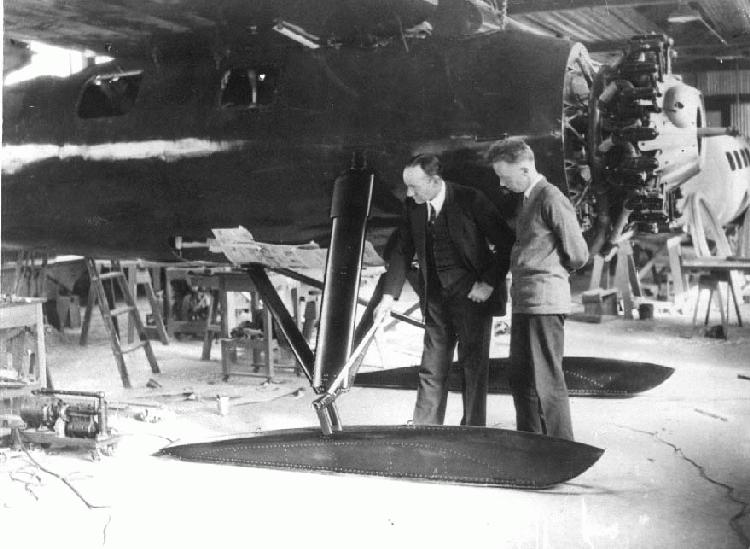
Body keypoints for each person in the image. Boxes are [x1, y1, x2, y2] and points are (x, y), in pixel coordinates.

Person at [375, 154, 514, 426]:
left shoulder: (471, 200)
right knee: (432, 366)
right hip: (436, 297)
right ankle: (424, 428)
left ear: (435, 181)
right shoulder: (414, 206)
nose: (408, 192)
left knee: (473, 368)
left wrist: (487, 283)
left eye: (414, 186)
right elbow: (403, 251)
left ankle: (474, 429)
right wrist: (388, 297)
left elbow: (507, 243)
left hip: (473, 295)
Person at [488, 138, 588, 441]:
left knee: (546, 380)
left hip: (544, 302)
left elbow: (579, 254)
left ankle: (560, 448)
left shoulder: (550, 198)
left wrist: (550, 274)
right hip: (527, 302)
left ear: (525, 168)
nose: (502, 183)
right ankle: (531, 442)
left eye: (505, 177)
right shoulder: (529, 198)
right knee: (521, 378)